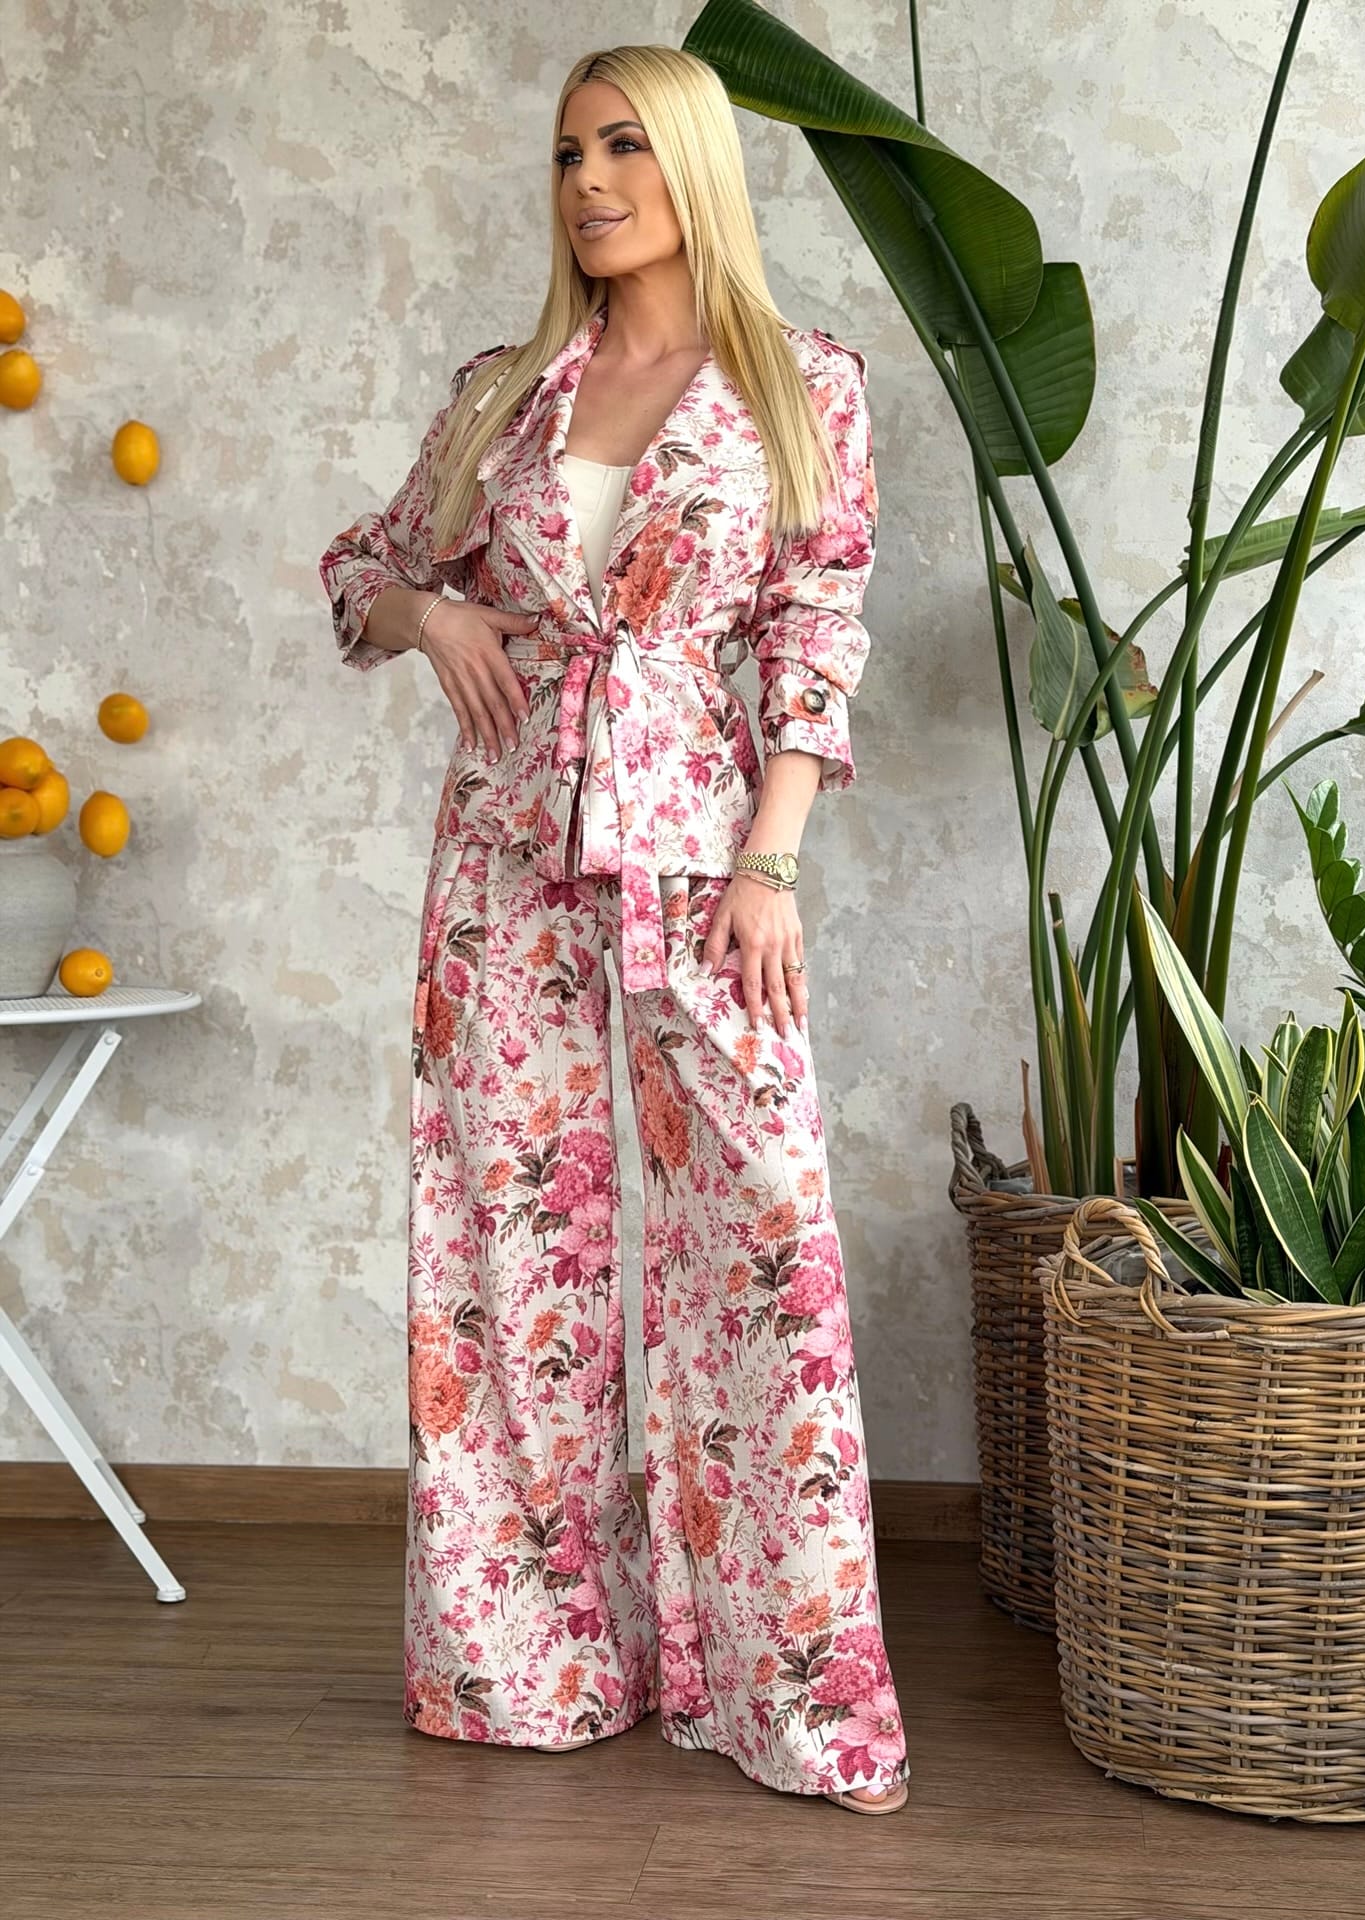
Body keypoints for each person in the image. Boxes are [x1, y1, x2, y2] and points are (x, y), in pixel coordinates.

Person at [317, 42, 910, 1816]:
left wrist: (770, 865)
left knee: (765, 1241)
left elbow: (814, 627)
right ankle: (533, 1670)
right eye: (570, 150)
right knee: (511, 1249)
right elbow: (358, 569)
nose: (589, 179)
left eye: (627, 145)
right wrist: (432, 615)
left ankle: (799, 1701)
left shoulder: (803, 383)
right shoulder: (504, 393)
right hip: (504, 859)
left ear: (696, 166)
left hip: (703, 855)